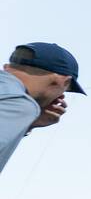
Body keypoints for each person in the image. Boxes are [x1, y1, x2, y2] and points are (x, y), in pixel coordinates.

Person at [1, 43, 83, 176]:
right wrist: (24, 112)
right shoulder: (20, 103)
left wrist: (27, 124)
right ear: (64, 82)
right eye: (66, 89)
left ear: (7, 67)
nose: (62, 96)